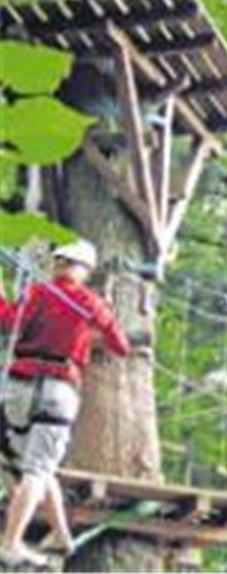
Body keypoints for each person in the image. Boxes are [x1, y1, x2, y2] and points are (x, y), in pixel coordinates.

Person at [0, 240, 131, 566]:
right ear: (84, 270)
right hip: (58, 390)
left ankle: (61, 534)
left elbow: (8, 323)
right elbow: (120, 345)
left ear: (58, 264)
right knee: (38, 468)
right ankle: (10, 544)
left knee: (41, 466)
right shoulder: (90, 302)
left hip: (17, 388)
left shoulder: (38, 293)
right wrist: (97, 323)